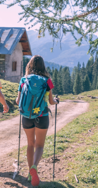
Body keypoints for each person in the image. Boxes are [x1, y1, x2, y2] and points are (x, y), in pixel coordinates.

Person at [16, 55, 59, 187]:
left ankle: (30, 173)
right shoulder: (47, 81)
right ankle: (34, 167)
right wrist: (56, 101)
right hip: (41, 115)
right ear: (43, 66)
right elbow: (51, 102)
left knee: (30, 144)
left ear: (30, 65)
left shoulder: (24, 80)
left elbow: (18, 101)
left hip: (27, 116)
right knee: (39, 145)